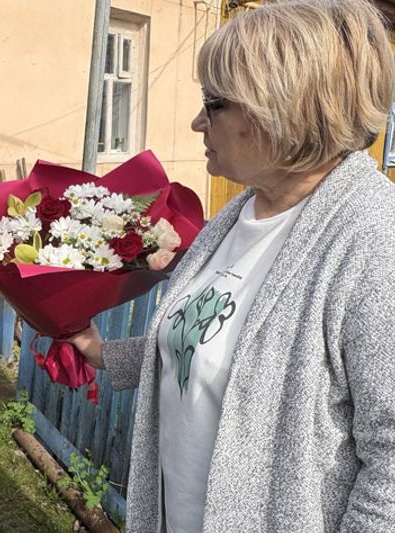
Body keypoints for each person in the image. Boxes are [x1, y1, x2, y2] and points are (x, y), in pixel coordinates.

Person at [70, 0, 395, 531]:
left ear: (281, 109)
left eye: (213, 103)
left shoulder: (374, 238)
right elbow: (212, 348)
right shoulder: (238, 214)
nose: (198, 122)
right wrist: (101, 353)